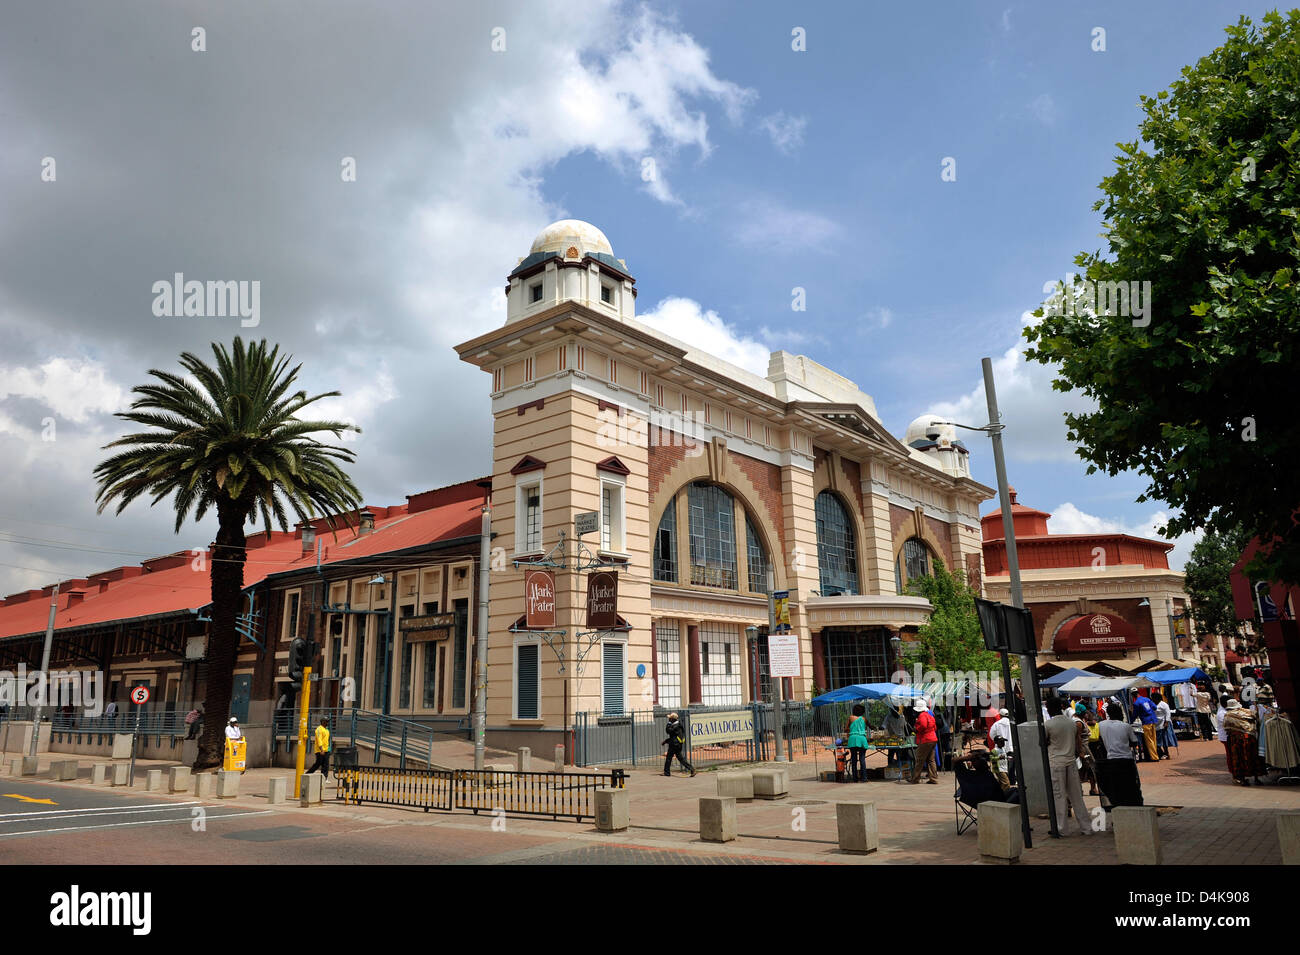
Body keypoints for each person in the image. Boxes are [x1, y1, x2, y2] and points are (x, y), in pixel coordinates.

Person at [1045, 696, 1091, 835]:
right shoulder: (1071, 723)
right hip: (1071, 762)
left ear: (1050, 708)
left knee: (1059, 797)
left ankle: (1061, 829)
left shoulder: (1048, 725)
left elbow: (1044, 742)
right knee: (1077, 796)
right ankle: (1086, 827)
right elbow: (1077, 742)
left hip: (1056, 763)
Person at [1096, 701, 1144, 808]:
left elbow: (1098, 739)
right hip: (1127, 760)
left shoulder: (1101, 725)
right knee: (1132, 786)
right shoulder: (1126, 726)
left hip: (1111, 761)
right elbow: (1134, 742)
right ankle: (1135, 807)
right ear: (1120, 713)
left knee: (1116, 787)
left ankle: (1120, 807)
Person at [1222, 700, 1260, 785]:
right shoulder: (1248, 712)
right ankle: (1256, 778)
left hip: (1236, 740)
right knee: (1253, 756)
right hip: (1250, 737)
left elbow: (1226, 728)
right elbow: (1256, 720)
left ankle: (1242, 778)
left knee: (1239, 758)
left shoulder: (1228, 715)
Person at [908, 698, 939, 785]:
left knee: (919, 759)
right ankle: (933, 778)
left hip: (926, 739)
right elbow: (935, 727)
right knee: (931, 760)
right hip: (933, 738)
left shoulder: (922, 716)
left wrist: (916, 729)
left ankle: (915, 778)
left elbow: (923, 726)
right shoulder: (930, 715)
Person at [661, 713, 695, 777]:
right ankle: (692, 769)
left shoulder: (675, 726)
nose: (668, 719)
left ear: (672, 719)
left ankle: (667, 772)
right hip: (677, 744)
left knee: (669, 758)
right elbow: (674, 736)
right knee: (680, 758)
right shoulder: (678, 725)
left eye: (669, 718)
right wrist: (666, 741)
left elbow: (668, 731)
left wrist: (668, 724)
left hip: (674, 744)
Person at [1131, 691, 1159, 762]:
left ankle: (1154, 757)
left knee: (1149, 740)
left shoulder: (1136, 703)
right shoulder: (1147, 699)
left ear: (1133, 695)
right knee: (1154, 739)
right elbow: (1155, 707)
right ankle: (1155, 754)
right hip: (1153, 720)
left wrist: (1130, 721)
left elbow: (1135, 715)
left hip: (1146, 722)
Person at [844, 703, 869, 783]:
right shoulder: (864, 719)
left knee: (854, 759)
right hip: (862, 739)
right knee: (862, 759)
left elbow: (846, 729)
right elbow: (871, 726)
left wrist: (852, 730)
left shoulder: (850, 718)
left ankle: (855, 778)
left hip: (853, 739)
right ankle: (864, 778)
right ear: (862, 712)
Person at [990, 708, 1015, 780]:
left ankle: (1003, 780)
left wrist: (997, 741)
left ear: (1000, 715)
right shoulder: (1012, 723)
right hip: (1011, 747)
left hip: (1000, 749)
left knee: (1001, 766)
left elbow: (992, 735)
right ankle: (1011, 780)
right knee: (1011, 765)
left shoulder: (996, 724)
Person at [1152, 691, 1175, 759]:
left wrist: (1166, 722)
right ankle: (1160, 753)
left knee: (1164, 740)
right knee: (1157, 740)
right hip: (1156, 724)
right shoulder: (1153, 704)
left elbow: (1168, 714)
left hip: (1163, 724)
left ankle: (1166, 753)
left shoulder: (1164, 704)